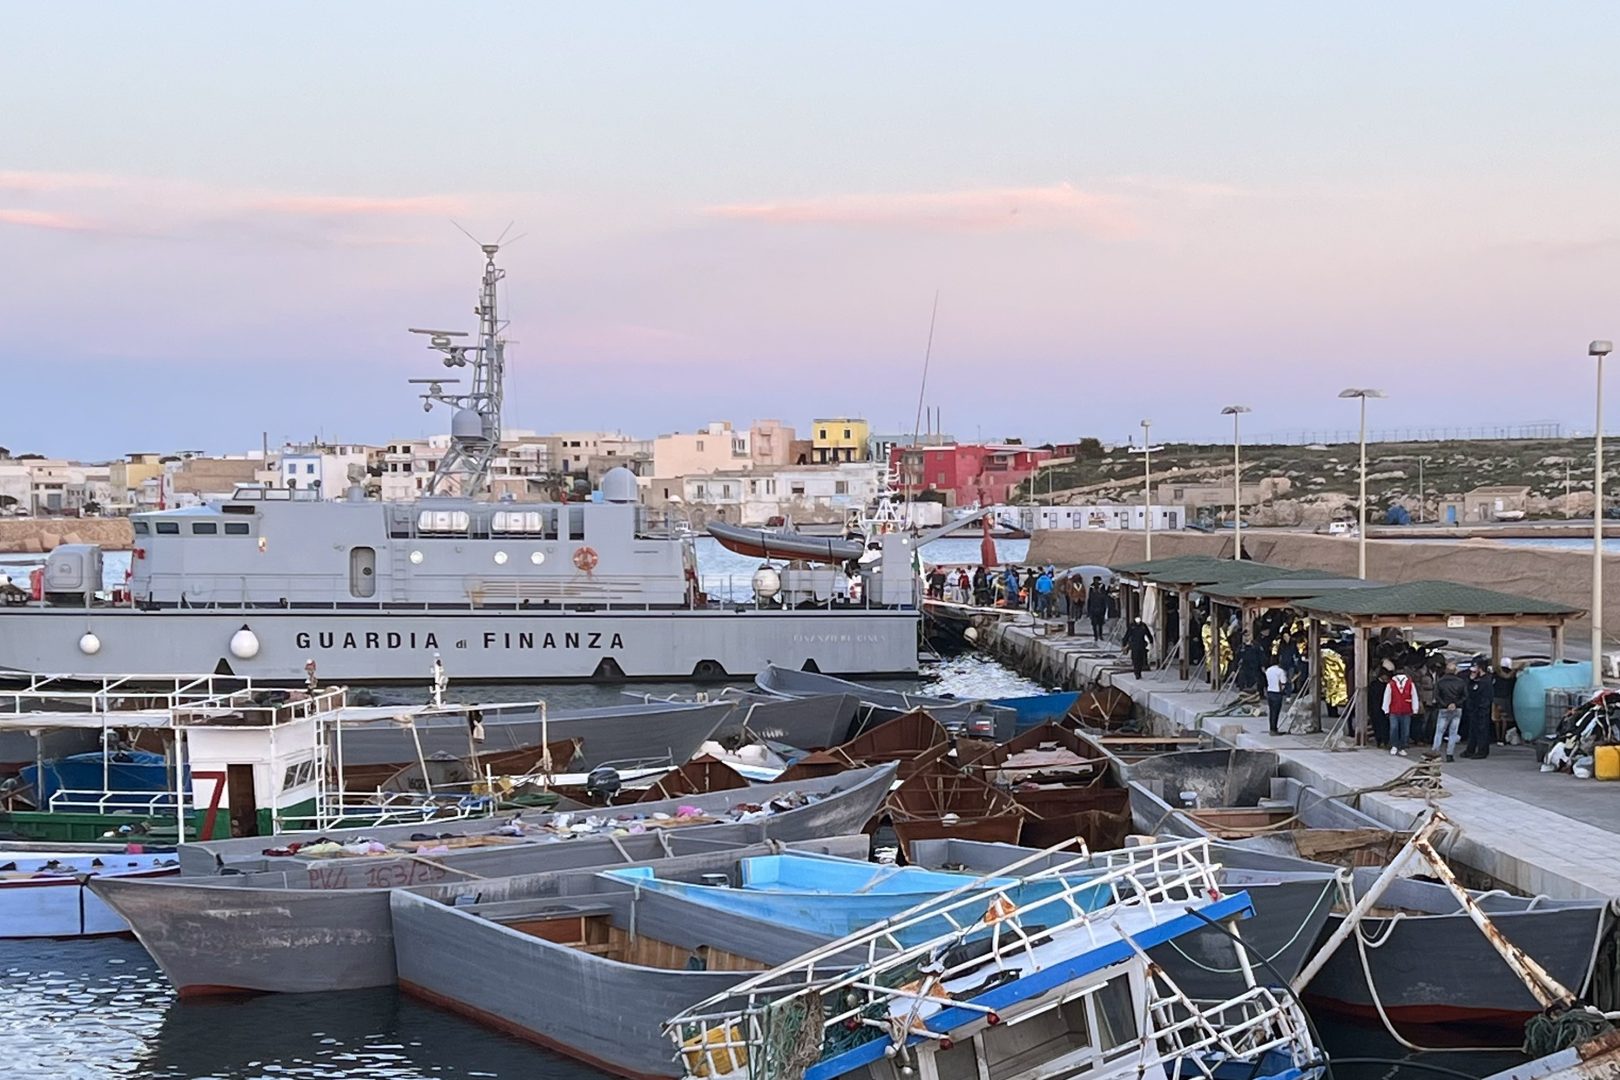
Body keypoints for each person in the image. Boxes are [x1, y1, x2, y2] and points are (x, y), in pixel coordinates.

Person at [1461, 656, 1495, 759]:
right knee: (1473, 730)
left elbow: (1488, 696)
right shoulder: (1474, 680)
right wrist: (1471, 680)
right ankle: (1470, 749)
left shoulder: (1486, 680)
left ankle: (1482, 751)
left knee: (1482, 730)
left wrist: (1483, 707)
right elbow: (1468, 691)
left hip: (1482, 709)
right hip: (1473, 708)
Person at [1433, 662, 1467, 762]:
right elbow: (1465, 696)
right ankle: (1449, 754)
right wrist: (1455, 704)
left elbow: (1437, 695)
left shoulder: (1440, 682)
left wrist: (1445, 704)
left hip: (1444, 709)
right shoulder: (1461, 682)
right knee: (1453, 732)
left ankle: (1435, 753)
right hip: (1457, 709)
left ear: (1446, 670)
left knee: (1439, 732)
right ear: (1455, 671)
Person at [1382, 669, 1418, 756]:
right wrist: (1386, 709)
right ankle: (1395, 745)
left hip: (1405, 710)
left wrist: (1415, 708)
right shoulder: (1391, 684)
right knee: (1396, 728)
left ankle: (1402, 746)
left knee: (1404, 730)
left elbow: (1414, 696)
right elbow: (1387, 697)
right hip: (1394, 710)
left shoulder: (1410, 684)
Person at [1264, 658, 1288, 735]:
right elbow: (1283, 682)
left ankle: (1272, 728)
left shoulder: (1268, 670)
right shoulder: (1280, 671)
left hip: (1269, 691)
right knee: (1276, 712)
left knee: (1271, 712)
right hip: (1277, 693)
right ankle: (1274, 729)